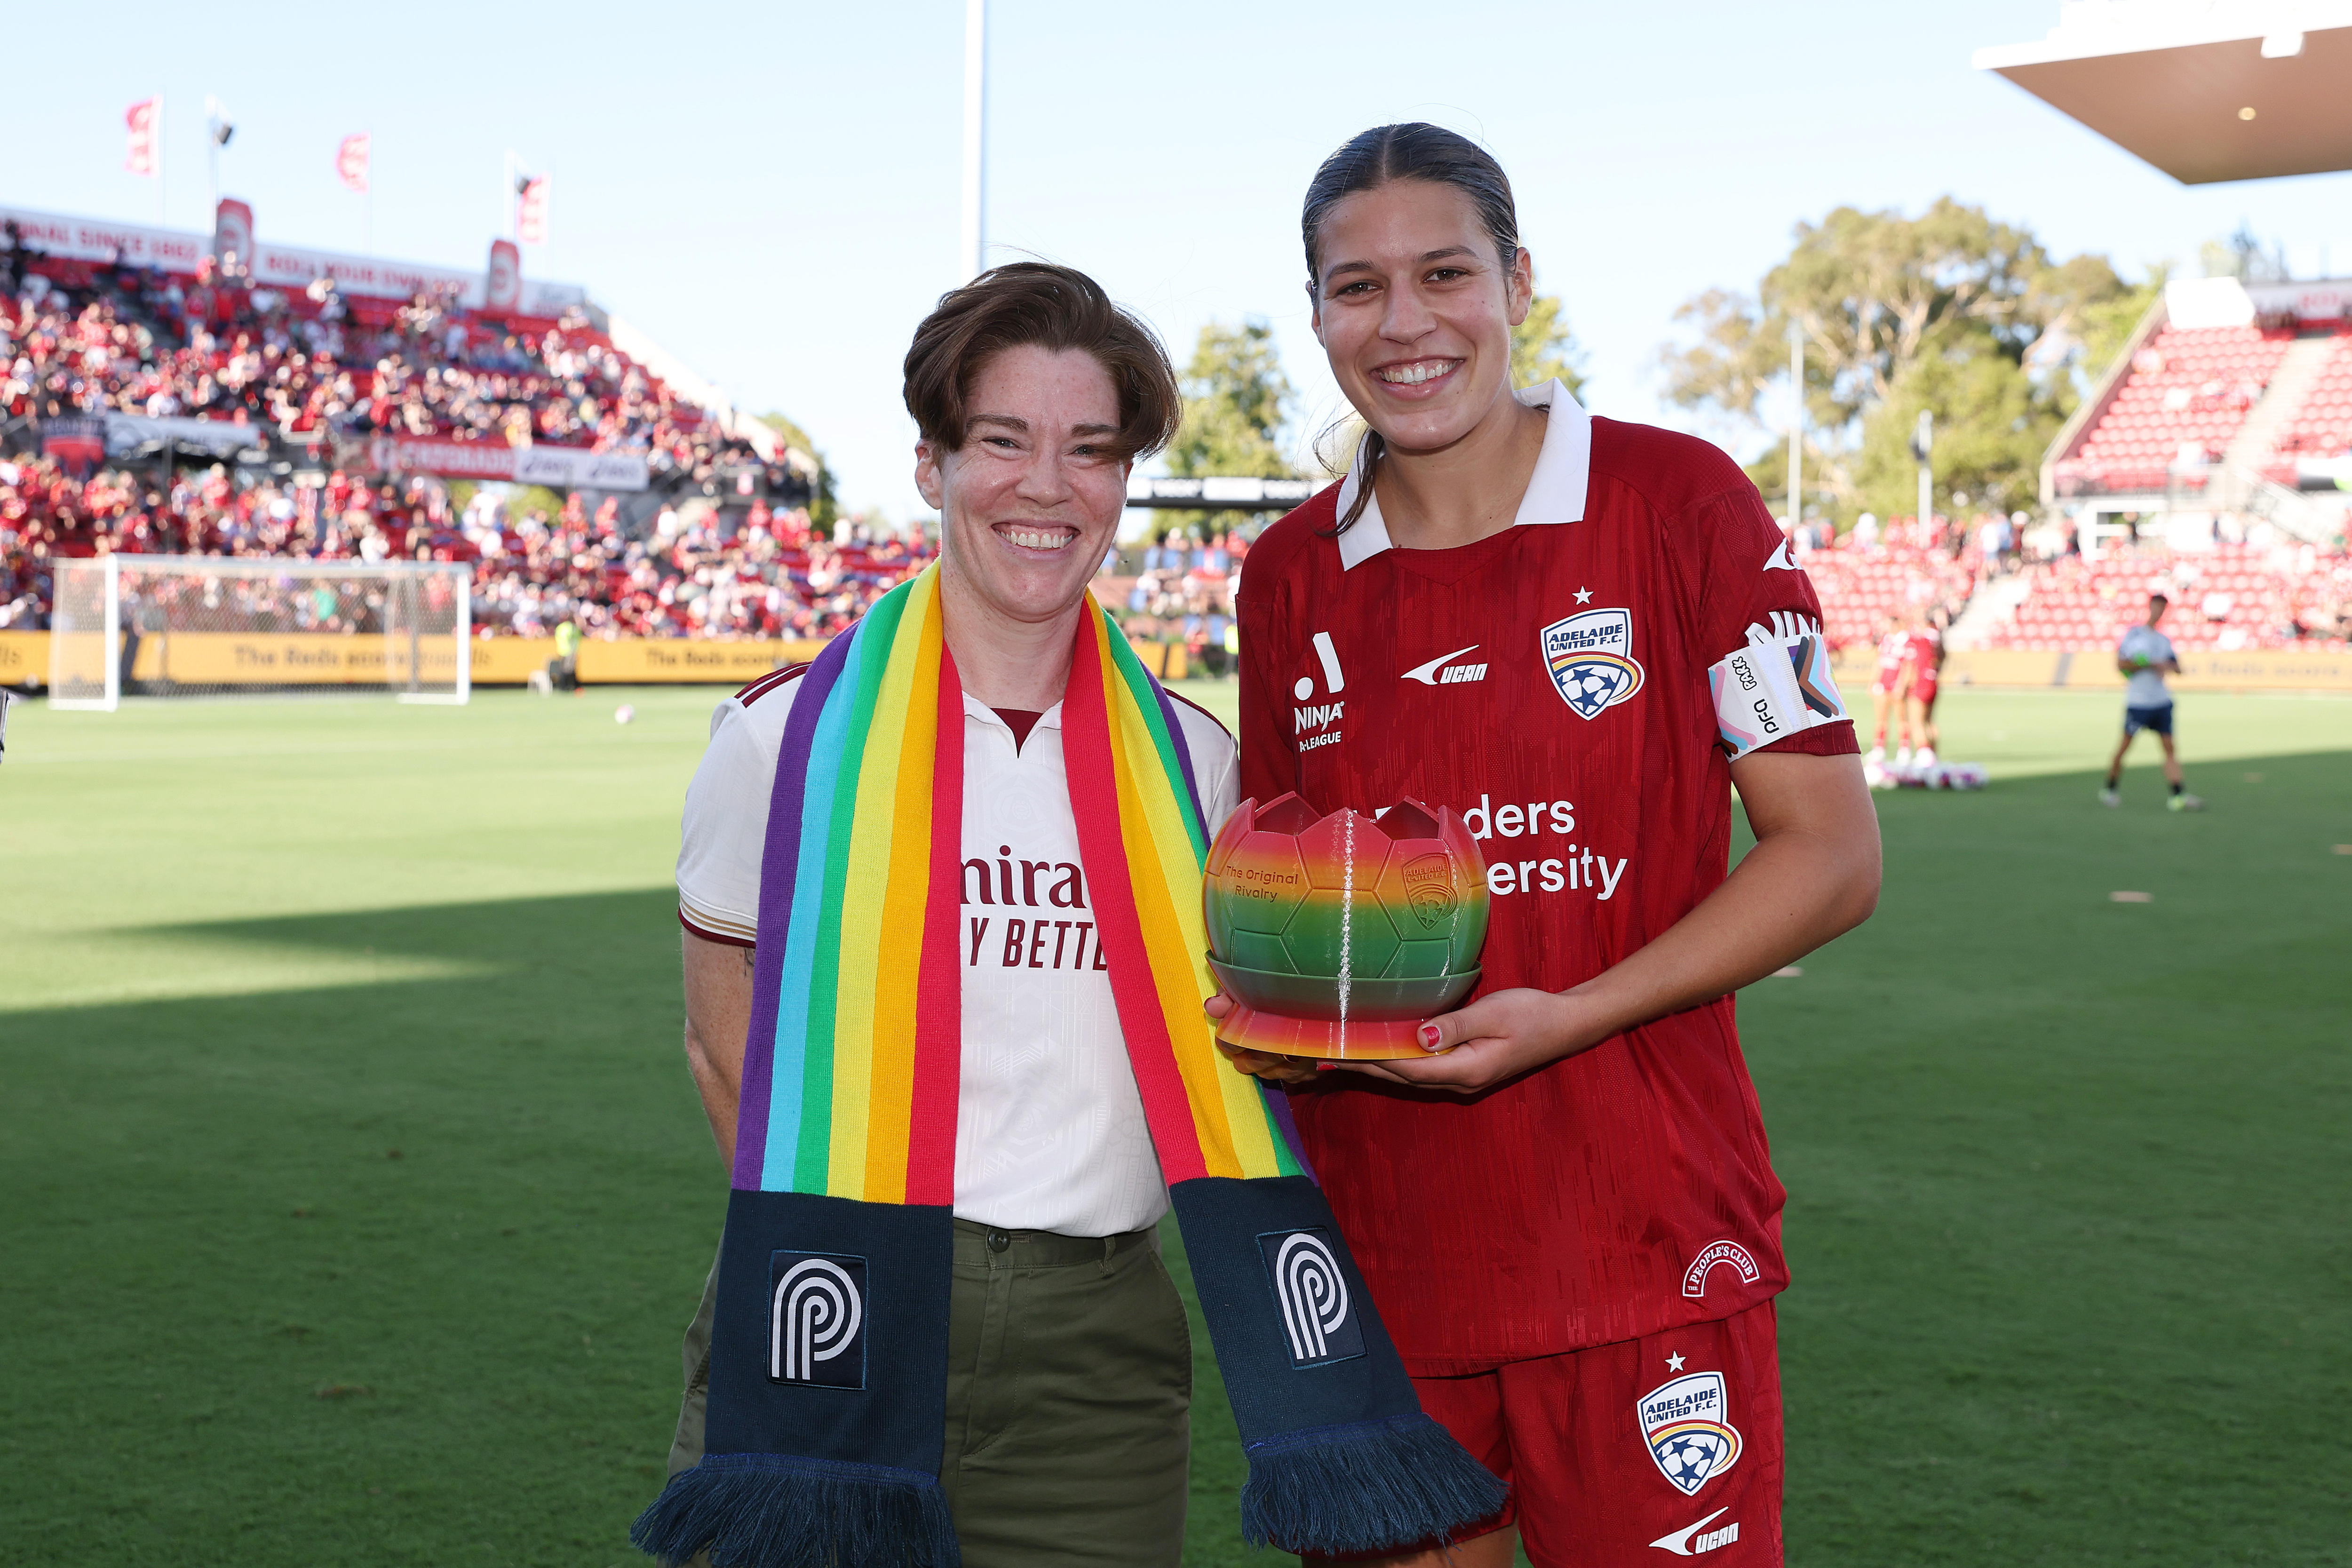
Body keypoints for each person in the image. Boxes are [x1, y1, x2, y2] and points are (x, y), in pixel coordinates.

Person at [647, 262, 1499, 1568]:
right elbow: (724, 1049)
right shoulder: (780, 742)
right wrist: (839, 1259)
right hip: (841, 1306)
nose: (1047, 487)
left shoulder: (1198, 767)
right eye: (1004, 440)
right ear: (932, 465)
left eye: (1090, 451)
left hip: (1097, 1353)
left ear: (1120, 484)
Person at [1219, 124, 1882, 1568]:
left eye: (1444, 272)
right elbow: (1282, 898)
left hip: (1642, 1233)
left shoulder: (1678, 501)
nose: (1402, 324)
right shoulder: (1284, 576)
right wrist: (1269, 1018)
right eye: (1354, 287)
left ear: (1517, 281)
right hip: (1378, 1259)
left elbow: (1830, 853)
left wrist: (1565, 1017)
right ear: (1317, 310)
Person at [2100, 593, 2203, 811]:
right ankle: (2110, 788)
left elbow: (2177, 668)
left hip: (2161, 702)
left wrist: (2167, 666)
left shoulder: (2164, 640)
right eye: (2156, 606)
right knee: (2124, 748)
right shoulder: (2133, 634)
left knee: (2169, 749)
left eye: (2163, 608)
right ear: (2150, 607)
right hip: (2138, 703)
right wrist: (2148, 665)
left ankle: (2178, 795)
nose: (2159, 611)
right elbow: (2121, 665)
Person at [1866, 612, 1911, 774]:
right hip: (1883, 684)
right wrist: (1873, 683)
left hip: (1896, 684)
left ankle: (1904, 750)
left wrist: (1902, 685)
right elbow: (1879, 662)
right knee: (1881, 719)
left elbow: (1908, 665)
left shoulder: (1906, 640)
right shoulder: (1886, 640)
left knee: (1902, 719)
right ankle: (1879, 749)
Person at [1901, 609, 1944, 767]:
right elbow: (1942, 656)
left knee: (1917, 722)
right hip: (1932, 680)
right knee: (1930, 721)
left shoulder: (1918, 640)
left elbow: (1910, 666)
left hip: (1920, 683)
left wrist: (1903, 686)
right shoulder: (1936, 638)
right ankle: (1933, 754)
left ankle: (1924, 756)